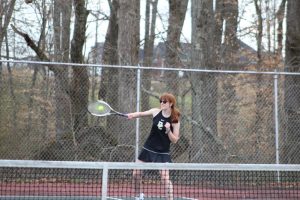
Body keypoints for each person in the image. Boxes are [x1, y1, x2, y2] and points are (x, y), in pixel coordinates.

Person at [127, 93, 181, 200]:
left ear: (171, 104)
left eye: (164, 101)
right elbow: (141, 113)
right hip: (148, 148)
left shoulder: (175, 119)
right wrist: (132, 115)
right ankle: (139, 196)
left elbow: (174, 140)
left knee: (165, 178)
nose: (162, 103)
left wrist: (168, 130)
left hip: (163, 152)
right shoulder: (156, 112)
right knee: (136, 174)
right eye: (161, 101)